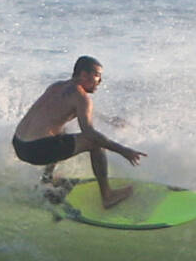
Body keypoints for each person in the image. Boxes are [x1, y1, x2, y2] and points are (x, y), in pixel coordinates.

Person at [13, 56, 146, 208]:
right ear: (83, 75)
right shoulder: (81, 97)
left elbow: (76, 109)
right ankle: (108, 196)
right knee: (94, 142)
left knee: (62, 129)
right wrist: (123, 151)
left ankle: (47, 179)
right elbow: (89, 132)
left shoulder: (56, 86)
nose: (100, 81)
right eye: (97, 75)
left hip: (19, 145)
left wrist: (108, 120)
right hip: (36, 150)